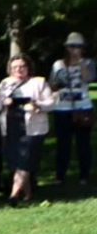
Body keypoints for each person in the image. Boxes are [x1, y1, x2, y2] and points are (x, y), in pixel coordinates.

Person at [0, 55, 55, 204]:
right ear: (10, 69)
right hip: (11, 128)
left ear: (28, 67)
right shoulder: (6, 83)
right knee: (16, 161)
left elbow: (51, 103)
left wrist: (37, 105)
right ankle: (28, 194)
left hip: (33, 128)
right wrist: (2, 102)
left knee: (25, 160)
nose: (18, 70)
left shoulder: (38, 82)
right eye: (15, 67)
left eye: (22, 66)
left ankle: (13, 196)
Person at [49, 32, 95, 185]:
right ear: (67, 48)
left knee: (83, 144)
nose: (75, 49)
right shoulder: (58, 64)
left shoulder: (88, 63)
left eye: (78, 46)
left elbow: (88, 78)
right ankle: (60, 175)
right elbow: (52, 85)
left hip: (83, 107)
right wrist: (58, 84)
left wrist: (79, 62)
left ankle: (84, 175)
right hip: (62, 107)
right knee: (63, 144)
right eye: (72, 46)